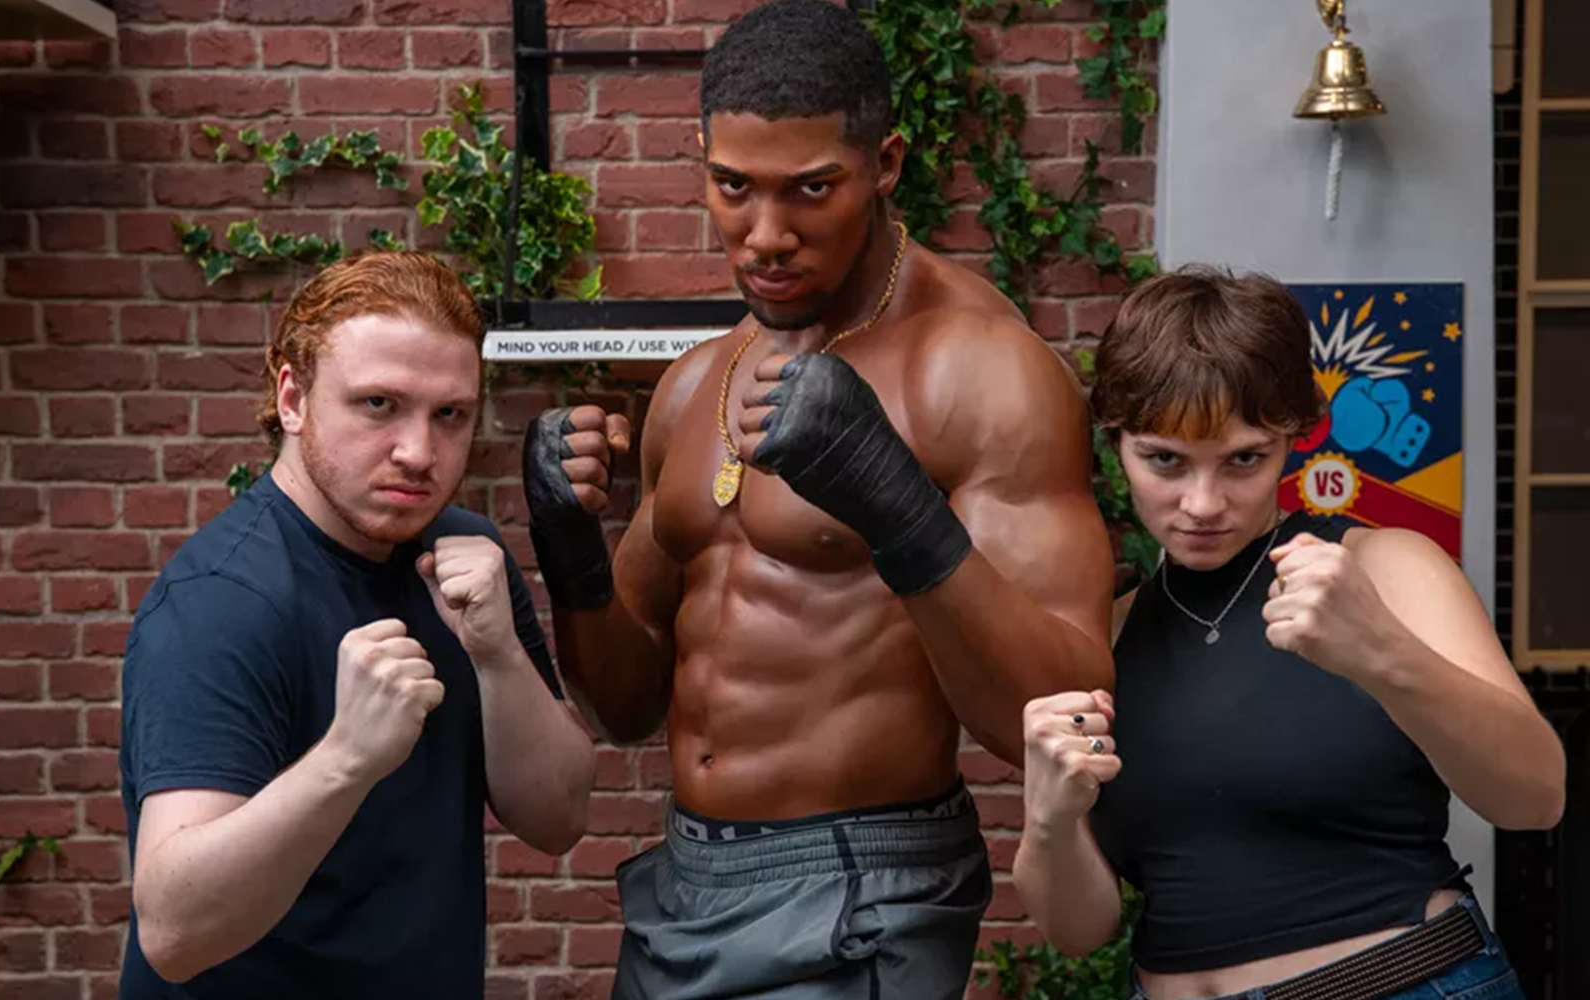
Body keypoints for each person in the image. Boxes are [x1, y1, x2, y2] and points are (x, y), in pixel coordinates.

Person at [521, 1, 1116, 996]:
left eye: (810, 191)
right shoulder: (696, 382)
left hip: (862, 887)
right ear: (699, 159)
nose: (765, 236)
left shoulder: (981, 372)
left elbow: (1054, 723)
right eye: (732, 189)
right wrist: (570, 554)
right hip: (684, 883)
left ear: (884, 164)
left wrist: (896, 507)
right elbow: (622, 703)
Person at [1014, 266, 1566, 1000]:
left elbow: (1535, 798)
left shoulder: (1382, 567)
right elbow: (1079, 931)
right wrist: (1048, 817)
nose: (1202, 503)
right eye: (1165, 462)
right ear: (1117, 443)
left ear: (1292, 440)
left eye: (1244, 459)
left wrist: (1379, 652)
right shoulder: (1107, 633)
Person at [118, 251, 597, 999]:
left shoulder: (463, 556)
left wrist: (498, 654)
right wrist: (346, 757)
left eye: (450, 415)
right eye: (379, 405)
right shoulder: (221, 603)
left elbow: (559, 817)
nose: (418, 453)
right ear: (293, 399)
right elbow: (174, 932)